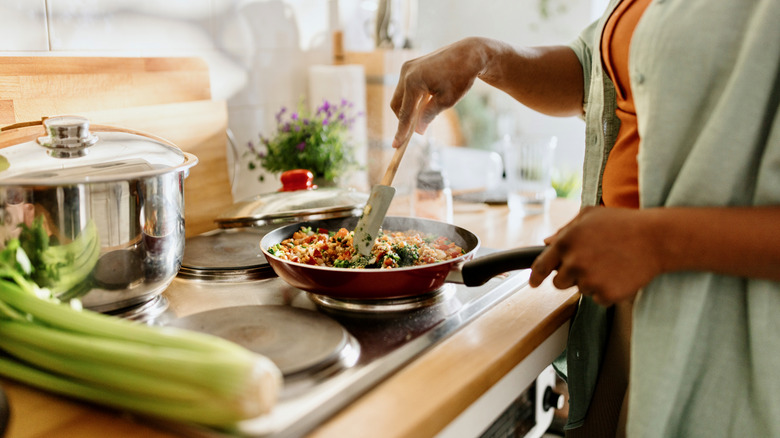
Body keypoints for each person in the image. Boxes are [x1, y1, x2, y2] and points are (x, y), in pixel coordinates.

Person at [389, 0, 780, 437]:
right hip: (626, 306)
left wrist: (656, 242)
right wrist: (485, 55)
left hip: (725, 330)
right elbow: (594, 71)